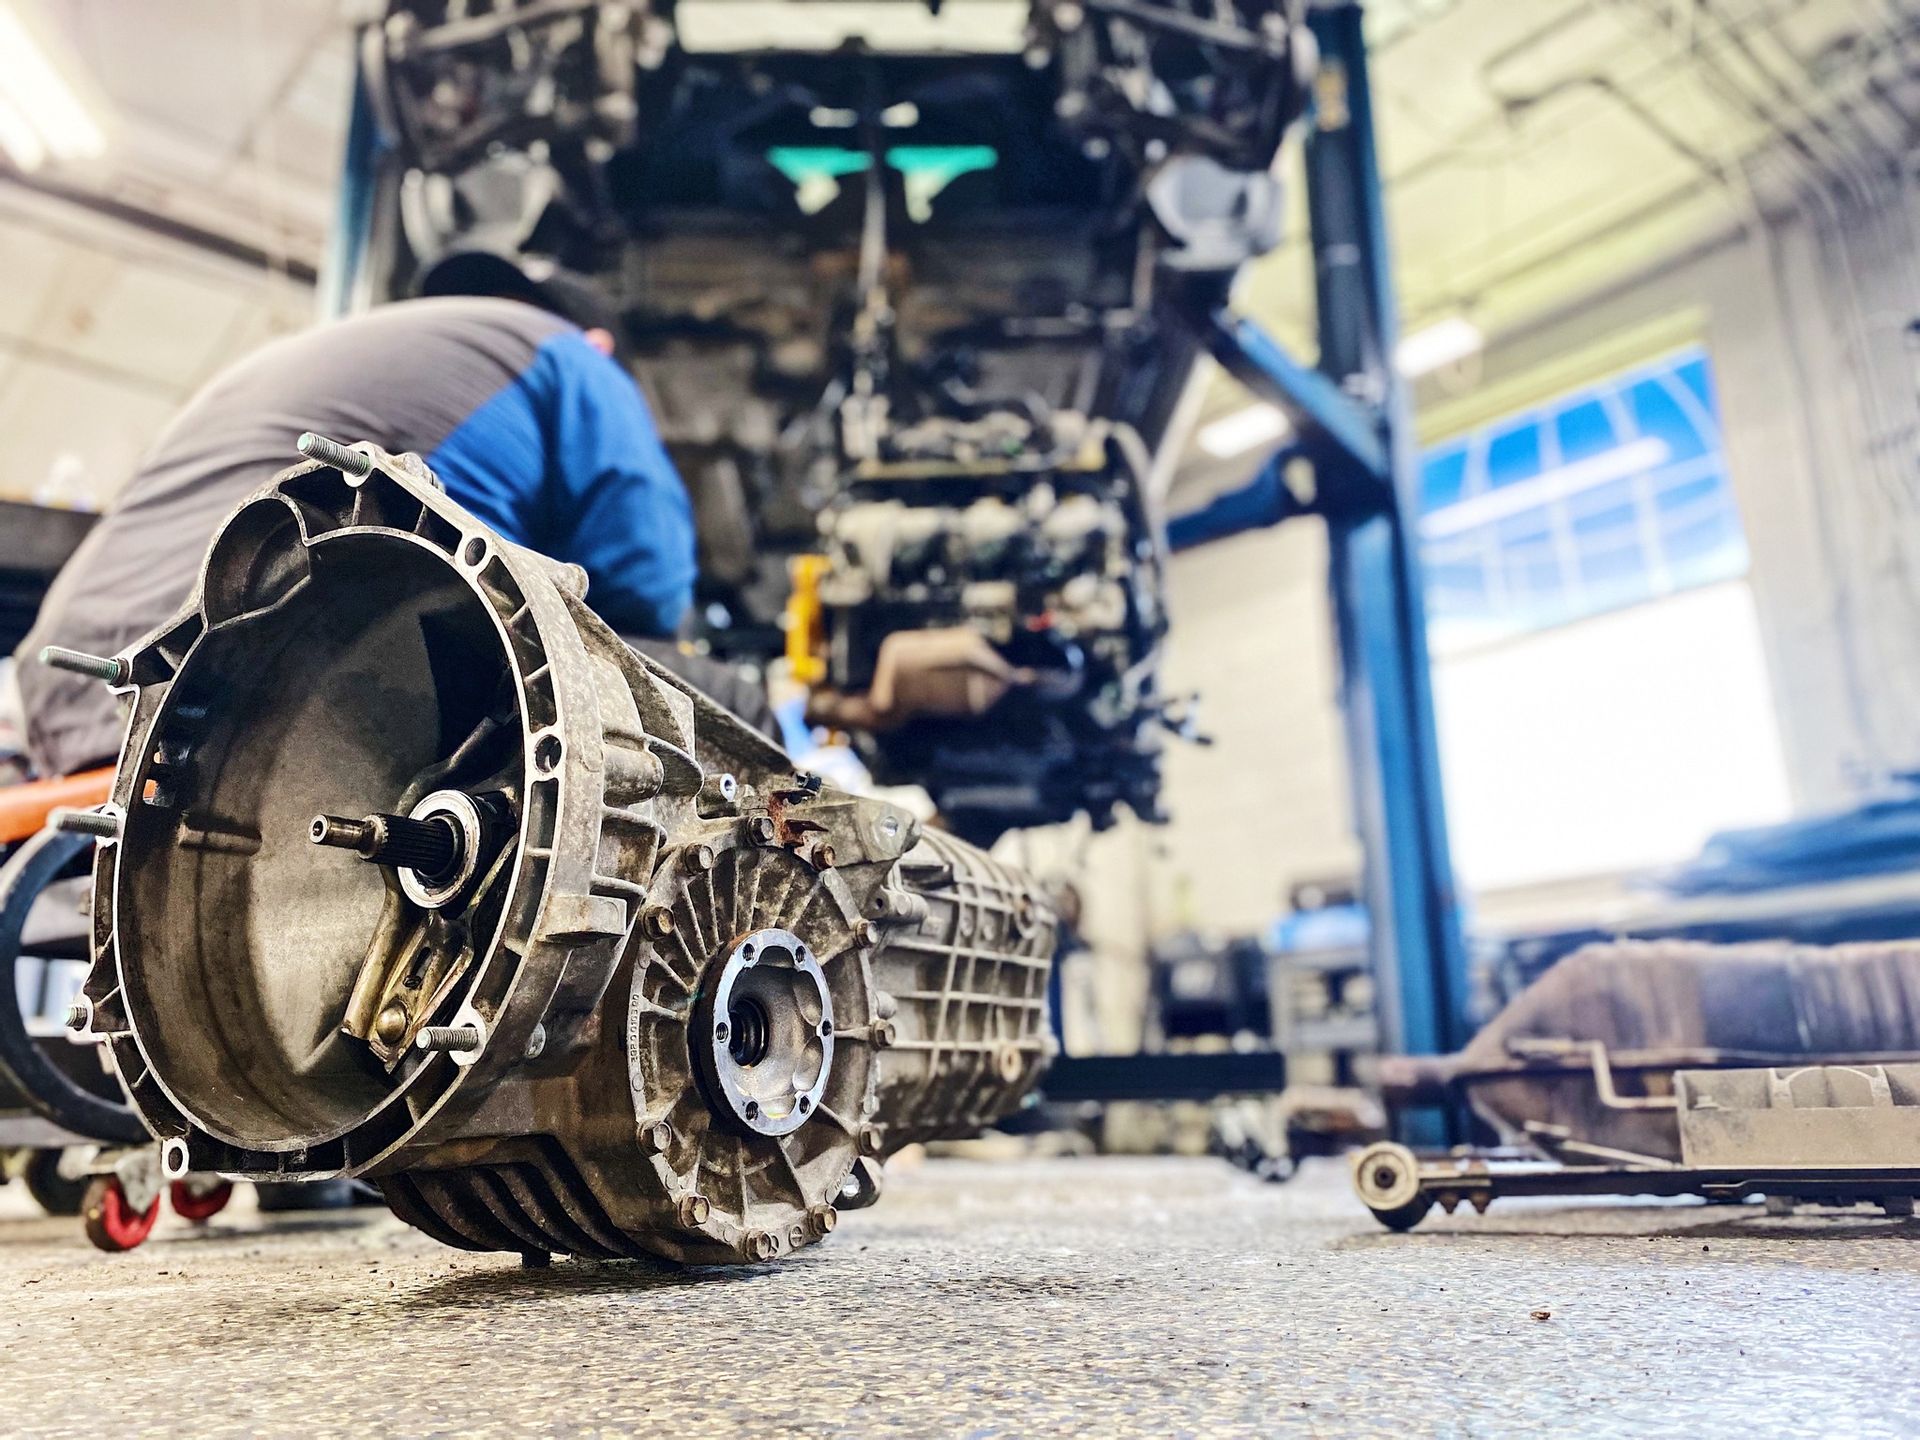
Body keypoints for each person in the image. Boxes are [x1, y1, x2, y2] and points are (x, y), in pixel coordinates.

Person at [14, 253, 733, 778]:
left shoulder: (332, 350)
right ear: (600, 340)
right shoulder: (579, 358)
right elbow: (646, 585)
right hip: (262, 682)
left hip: (71, 691)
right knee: (722, 705)